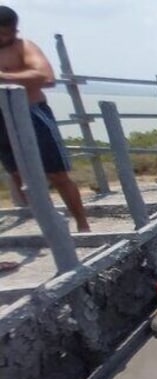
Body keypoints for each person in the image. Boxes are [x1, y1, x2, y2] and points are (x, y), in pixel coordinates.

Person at [0, 7, 90, 232]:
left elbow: (46, 77)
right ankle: (51, 226)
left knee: (57, 174)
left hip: (32, 112)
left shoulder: (23, 47)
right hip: (2, 119)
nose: (4, 38)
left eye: (7, 33)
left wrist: (4, 76)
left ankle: (83, 225)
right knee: (19, 176)